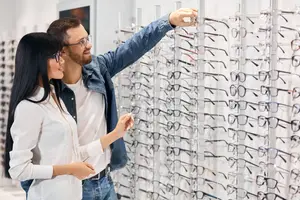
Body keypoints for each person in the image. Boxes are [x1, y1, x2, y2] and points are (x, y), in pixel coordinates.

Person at [19, 8, 198, 200]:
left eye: (87, 38)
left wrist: (168, 21)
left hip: (104, 181)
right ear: (62, 51)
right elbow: (25, 157)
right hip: (71, 187)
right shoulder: (47, 93)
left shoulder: (98, 69)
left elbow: (132, 47)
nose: (89, 45)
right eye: (81, 42)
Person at [3, 32, 134, 200]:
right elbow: (18, 169)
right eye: (57, 56)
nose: (62, 61)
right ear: (39, 60)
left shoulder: (53, 96)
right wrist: (69, 169)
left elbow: (72, 153)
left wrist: (115, 134)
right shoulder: (29, 107)